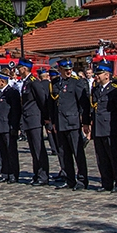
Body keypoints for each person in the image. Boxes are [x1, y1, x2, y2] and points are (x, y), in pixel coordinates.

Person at [51, 60, 91, 190]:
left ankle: (82, 180)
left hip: (73, 122)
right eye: (65, 69)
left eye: (70, 69)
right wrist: (54, 122)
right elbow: (54, 105)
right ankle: (69, 179)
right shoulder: (56, 83)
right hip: (60, 123)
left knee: (77, 152)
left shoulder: (76, 82)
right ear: (60, 69)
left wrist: (85, 122)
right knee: (64, 153)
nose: (68, 71)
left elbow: (83, 103)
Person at [91, 61, 117, 193]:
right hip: (98, 128)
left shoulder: (115, 90)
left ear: (107, 75)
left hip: (111, 128)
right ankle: (106, 182)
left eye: (99, 74)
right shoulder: (95, 89)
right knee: (102, 158)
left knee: (114, 157)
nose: (97, 77)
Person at [19, 59, 51, 186]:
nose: (18, 70)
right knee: (33, 149)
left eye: (20, 67)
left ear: (25, 68)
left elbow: (42, 99)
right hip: (28, 119)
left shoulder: (34, 82)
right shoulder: (27, 82)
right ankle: (37, 173)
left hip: (35, 119)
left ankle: (43, 175)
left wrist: (46, 117)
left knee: (39, 149)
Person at [0, 71, 21, 184]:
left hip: (8, 125)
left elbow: (15, 111)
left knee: (11, 151)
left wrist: (15, 126)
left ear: (2, 81)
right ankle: (5, 173)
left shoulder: (12, 92)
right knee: (2, 151)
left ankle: (13, 174)